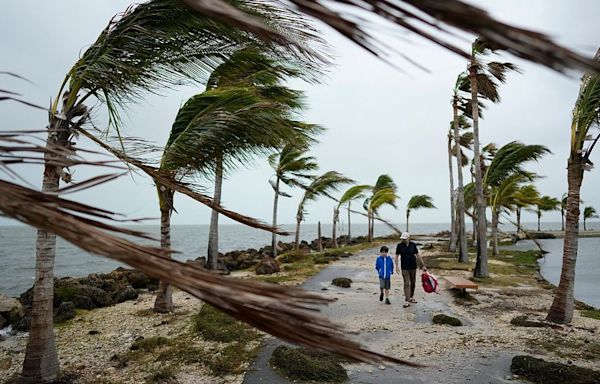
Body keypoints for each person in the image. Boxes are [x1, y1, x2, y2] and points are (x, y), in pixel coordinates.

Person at [395, 232, 425, 308]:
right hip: (404, 268)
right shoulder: (399, 246)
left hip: (413, 267)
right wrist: (396, 266)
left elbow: (418, 255)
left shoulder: (413, 245)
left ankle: (411, 297)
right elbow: (396, 256)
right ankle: (407, 300)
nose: (403, 240)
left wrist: (423, 264)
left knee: (413, 283)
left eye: (405, 239)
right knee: (406, 283)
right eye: (402, 239)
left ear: (409, 238)